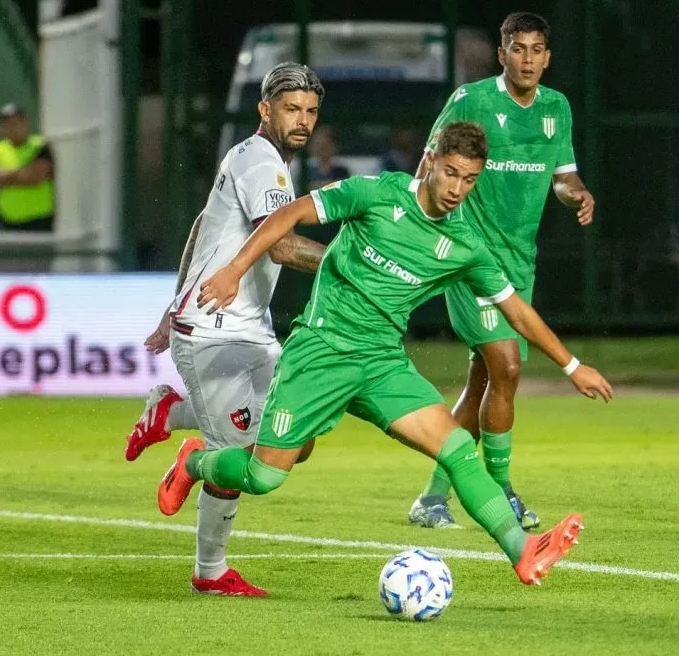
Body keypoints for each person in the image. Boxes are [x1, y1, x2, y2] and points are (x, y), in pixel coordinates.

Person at [156, 121, 613, 587]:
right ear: (431, 160)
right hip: (321, 350)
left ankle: (522, 548)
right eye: (451, 173)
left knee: (457, 448)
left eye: (470, 179)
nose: (458, 188)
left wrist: (571, 365)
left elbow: (517, 311)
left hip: (381, 364)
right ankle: (193, 460)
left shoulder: (465, 246)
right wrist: (234, 269)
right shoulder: (377, 194)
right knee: (265, 477)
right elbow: (289, 214)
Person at [126, 63, 327, 597]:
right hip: (212, 330)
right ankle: (209, 571)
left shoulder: (251, 157)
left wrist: (170, 304)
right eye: (291, 109)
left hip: (251, 328)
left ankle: (170, 412)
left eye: (310, 111)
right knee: (242, 451)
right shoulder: (262, 162)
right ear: (265, 110)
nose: (302, 120)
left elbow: (202, 224)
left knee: (294, 436)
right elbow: (281, 244)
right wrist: (352, 265)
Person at [407, 12, 595, 531]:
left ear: (547, 58)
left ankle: (432, 497)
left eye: (537, 50)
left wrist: (574, 193)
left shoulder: (556, 108)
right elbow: (428, 165)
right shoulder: (472, 102)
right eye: (518, 49)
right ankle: (501, 490)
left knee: (485, 380)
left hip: (519, 259)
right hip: (469, 255)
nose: (528, 59)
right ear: (502, 53)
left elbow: (563, 176)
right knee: (508, 368)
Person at [0, 103, 55, 231]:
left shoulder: (40, 145)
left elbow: (33, 178)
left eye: (15, 123)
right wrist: (18, 172)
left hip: (40, 222)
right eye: (5, 124)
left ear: (25, 123)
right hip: (7, 223)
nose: (11, 128)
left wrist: (1, 178)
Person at [306, 126, 350, 190]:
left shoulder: (341, 170)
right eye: (318, 145)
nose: (322, 149)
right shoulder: (307, 169)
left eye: (326, 145)